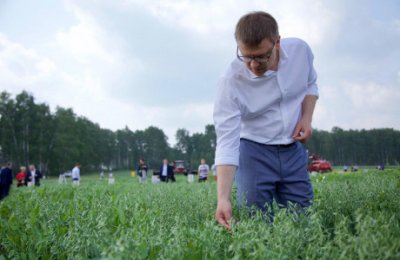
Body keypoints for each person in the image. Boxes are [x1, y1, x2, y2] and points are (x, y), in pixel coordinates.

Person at [214, 11, 318, 229]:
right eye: (246, 56)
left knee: (303, 218)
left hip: (293, 150)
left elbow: (310, 84)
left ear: (277, 42)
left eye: (261, 56)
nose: (253, 65)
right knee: (255, 222)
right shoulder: (231, 82)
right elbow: (227, 141)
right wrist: (223, 198)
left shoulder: (300, 51)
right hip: (253, 150)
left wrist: (306, 118)